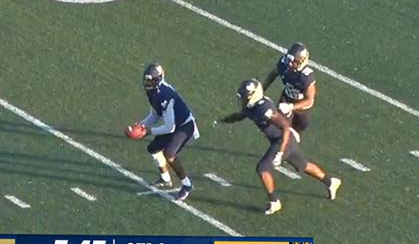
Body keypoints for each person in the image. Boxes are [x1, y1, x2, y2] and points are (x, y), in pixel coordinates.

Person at [220, 79, 340, 215]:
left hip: (282, 141)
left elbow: (285, 127)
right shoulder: (252, 106)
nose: (242, 99)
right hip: (282, 140)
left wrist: (281, 152)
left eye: (244, 96)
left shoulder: (264, 109)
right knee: (304, 165)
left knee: (263, 168)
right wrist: (223, 120)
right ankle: (330, 181)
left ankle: (274, 201)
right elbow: (239, 115)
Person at [134, 63, 198, 201]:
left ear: (158, 79)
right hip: (174, 125)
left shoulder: (165, 94)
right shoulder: (153, 92)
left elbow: (170, 127)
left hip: (184, 126)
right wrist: (142, 124)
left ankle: (187, 184)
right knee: (153, 148)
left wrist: (148, 131)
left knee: (169, 154)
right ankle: (165, 178)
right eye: (147, 80)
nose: (148, 83)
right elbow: (155, 114)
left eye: (151, 80)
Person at [262, 42, 315, 136]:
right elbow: (273, 73)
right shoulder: (284, 65)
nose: (290, 64)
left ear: (301, 62)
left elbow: (309, 100)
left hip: (300, 107)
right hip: (286, 99)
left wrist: (291, 107)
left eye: (293, 61)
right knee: (280, 129)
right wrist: (261, 89)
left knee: (297, 130)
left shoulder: (305, 76)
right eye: (289, 60)